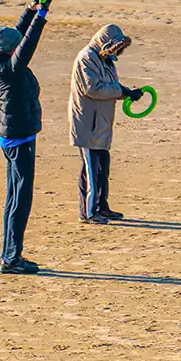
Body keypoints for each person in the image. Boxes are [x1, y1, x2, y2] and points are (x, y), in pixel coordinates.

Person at [0, 0, 51, 274]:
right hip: (20, 140)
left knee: (14, 197)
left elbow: (18, 37)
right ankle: (11, 258)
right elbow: (28, 43)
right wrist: (42, 15)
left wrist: (30, 9)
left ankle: (9, 254)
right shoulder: (10, 69)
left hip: (12, 137)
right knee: (20, 201)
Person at [68, 23, 146, 224]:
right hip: (88, 125)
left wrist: (127, 93)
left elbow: (110, 86)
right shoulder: (87, 58)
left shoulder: (105, 60)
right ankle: (88, 213)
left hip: (101, 124)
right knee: (91, 170)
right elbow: (93, 89)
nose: (117, 52)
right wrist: (121, 91)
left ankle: (102, 207)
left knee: (103, 168)